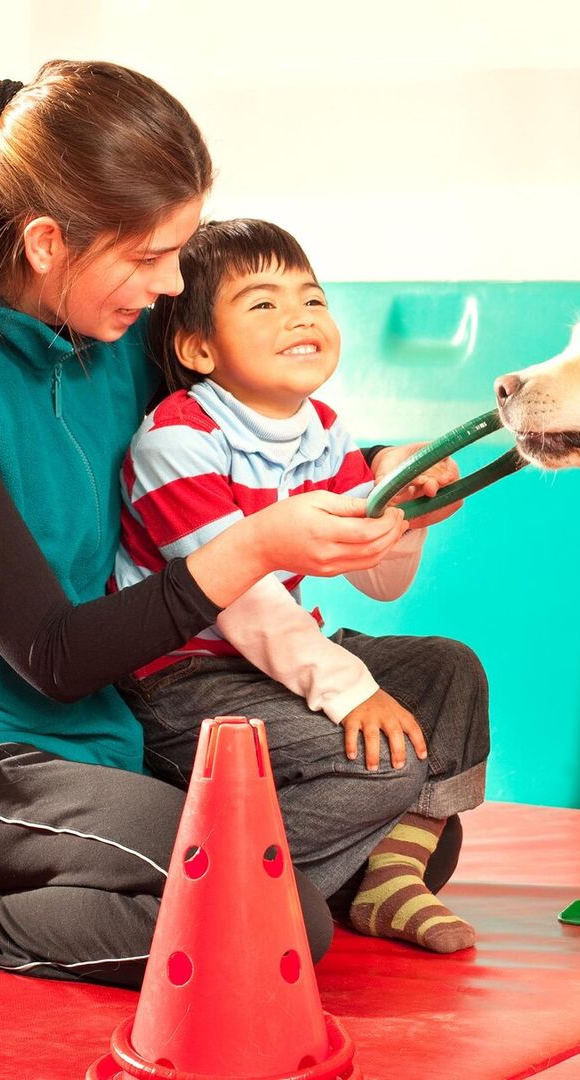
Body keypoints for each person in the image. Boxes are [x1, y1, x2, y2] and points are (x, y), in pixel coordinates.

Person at [0, 62, 485, 988]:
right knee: (266, 917)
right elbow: (53, 658)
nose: (175, 282)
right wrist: (251, 547)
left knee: (419, 793)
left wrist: (383, 470)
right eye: (148, 256)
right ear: (48, 243)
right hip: (2, 754)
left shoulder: (121, 330)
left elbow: (243, 438)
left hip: (123, 727)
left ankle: (224, 877)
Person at [114, 217, 487, 953]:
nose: (299, 316)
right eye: (262, 304)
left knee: (450, 670)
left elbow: (377, 579)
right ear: (198, 348)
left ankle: (390, 878)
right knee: (381, 765)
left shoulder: (323, 428)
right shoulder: (176, 441)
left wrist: (407, 509)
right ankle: (229, 895)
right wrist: (350, 692)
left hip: (275, 656)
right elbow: (241, 603)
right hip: (185, 678)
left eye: (311, 299)